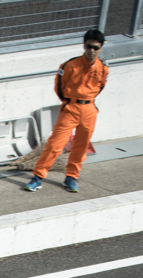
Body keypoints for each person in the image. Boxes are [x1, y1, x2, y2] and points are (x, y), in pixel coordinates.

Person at [24, 30, 108, 193]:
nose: (92, 50)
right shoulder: (70, 65)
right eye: (89, 46)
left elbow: (101, 86)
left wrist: (87, 101)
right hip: (71, 108)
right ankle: (38, 177)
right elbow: (59, 87)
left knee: (81, 146)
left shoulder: (103, 69)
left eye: (96, 48)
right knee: (55, 144)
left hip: (89, 109)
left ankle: (71, 177)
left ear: (100, 49)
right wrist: (69, 102)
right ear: (84, 46)